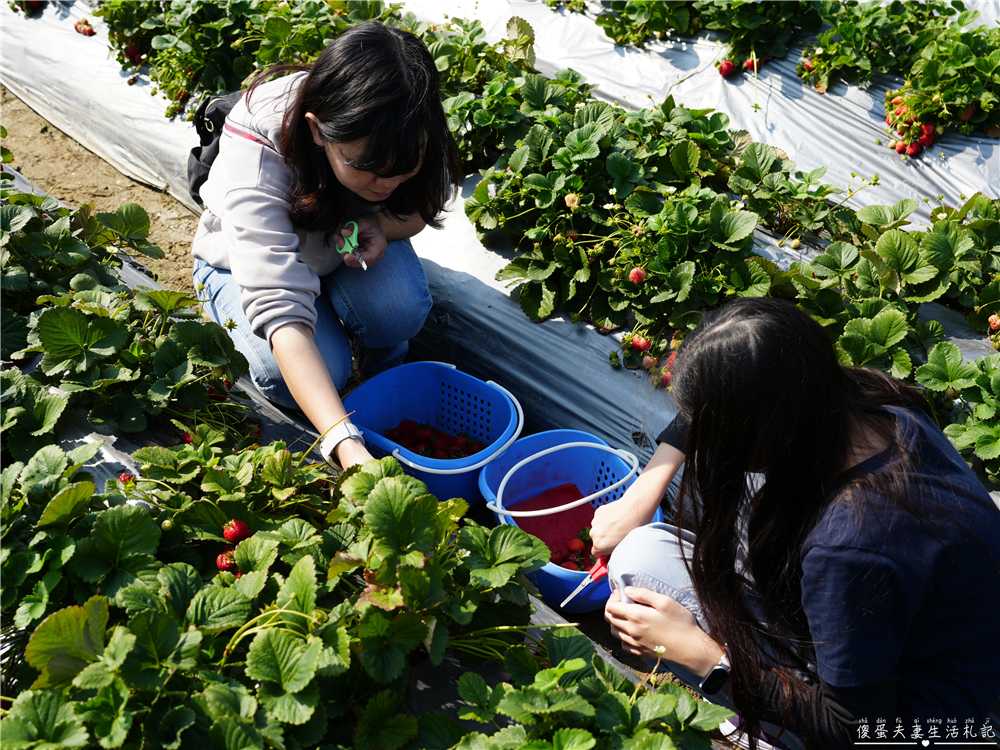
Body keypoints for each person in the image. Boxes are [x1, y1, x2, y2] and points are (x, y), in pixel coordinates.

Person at [593, 298, 1000, 750]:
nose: (704, 440)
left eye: (716, 431)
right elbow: (739, 387)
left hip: (913, 727)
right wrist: (643, 491)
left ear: (757, 430)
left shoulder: (848, 545)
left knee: (640, 564)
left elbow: (851, 727)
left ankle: (777, 734)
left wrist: (707, 659)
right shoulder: (877, 404)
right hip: (965, 654)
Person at [191, 21, 461, 469]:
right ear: (317, 131)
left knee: (399, 310)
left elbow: (423, 206)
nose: (388, 183)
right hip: (242, 266)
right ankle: (223, 306)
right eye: (368, 167)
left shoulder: (412, 119)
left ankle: (382, 379)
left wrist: (378, 223)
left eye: (403, 170)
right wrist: (346, 445)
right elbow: (279, 307)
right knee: (299, 375)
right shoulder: (257, 152)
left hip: (333, 244)